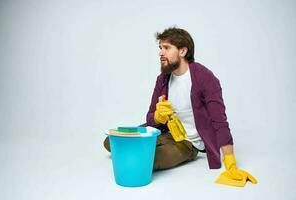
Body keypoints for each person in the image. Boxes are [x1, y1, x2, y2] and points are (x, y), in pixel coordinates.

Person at [104, 27, 257, 187]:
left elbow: (219, 121)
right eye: (160, 48)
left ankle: (130, 154)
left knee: (143, 158)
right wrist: (157, 117)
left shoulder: (205, 78)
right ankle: (130, 152)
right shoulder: (163, 79)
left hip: (187, 142)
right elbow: (149, 118)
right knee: (110, 141)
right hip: (164, 132)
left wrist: (230, 161)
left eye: (167, 48)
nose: (161, 53)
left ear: (183, 51)